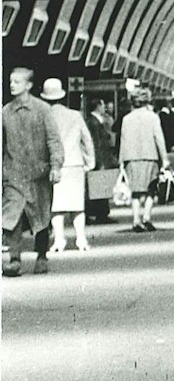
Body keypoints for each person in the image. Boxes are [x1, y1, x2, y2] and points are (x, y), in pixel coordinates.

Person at [3, 67, 64, 275]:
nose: (12, 85)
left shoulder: (43, 110)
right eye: (10, 81)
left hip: (39, 174)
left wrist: (56, 166)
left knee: (41, 215)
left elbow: (54, 140)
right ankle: (14, 259)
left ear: (28, 85)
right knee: (12, 216)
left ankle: (41, 256)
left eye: (17, 82)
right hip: (13, 174)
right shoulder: (4, 113)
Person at [42, 80, 95, 253]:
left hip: (53, 166)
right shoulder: (75, 115)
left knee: (56, 206)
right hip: (75, 164)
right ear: (62, 96)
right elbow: (86, 139)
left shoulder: (43, 116)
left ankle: (59, 240)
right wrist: (89, 161)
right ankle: (81, 239)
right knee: (77, 204)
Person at [118, 88, 167, 233]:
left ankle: (135, 220)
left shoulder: (126, 119)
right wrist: (164, 157)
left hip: (131, 158)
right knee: (151, 189)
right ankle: (146, 217)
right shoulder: (152, 117)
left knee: (135, 190)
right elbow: (159, 138)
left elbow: (123, 140)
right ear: (147, 101)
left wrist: (121, 160)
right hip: (150, 156)